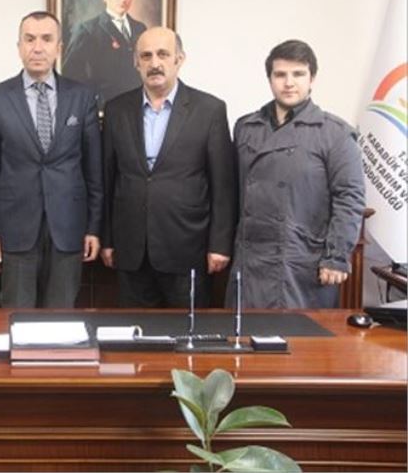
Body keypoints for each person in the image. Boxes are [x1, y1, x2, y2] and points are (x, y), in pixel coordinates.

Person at [101, 27, 236, 308]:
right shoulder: (116, 110)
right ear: (136, 63)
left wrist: (219, 245)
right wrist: (108, 239)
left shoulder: (209, 110)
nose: (155, 63)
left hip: (187, 248)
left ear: (179, 59)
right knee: (134, 332)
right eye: (146, 56)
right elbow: (107, 179)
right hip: (131, 251)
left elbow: (223, 185)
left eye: (163, 54)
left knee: (187, 332)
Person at [226, 40, 366, 308]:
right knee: (243, 332)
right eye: (280, 74)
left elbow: (350, 198)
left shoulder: (335, 133)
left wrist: (336, 257)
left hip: (301, 261)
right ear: (270, 79)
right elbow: (230, 192)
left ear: (312, 78)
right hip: (249, 261)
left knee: (299, 333)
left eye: (298, 74)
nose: (289, 83)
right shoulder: (246, 127)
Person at [0, 11, 102, 308]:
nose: (37, 47)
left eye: (46, 39)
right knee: (17, 316)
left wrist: (94, 228)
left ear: (59, 47)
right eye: (30, 39)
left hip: (69, 228)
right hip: (15, 229)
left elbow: (94, 171)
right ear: (19, 46)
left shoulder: (82, 97)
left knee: (61, 319)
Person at [62, 0, 147, 108]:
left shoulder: (140, 28)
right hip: (104, 107)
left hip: (137, 105)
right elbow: (71, 74)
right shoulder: (87, 30)